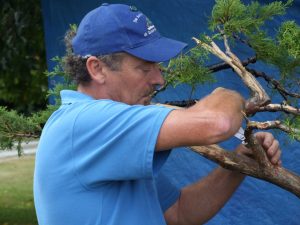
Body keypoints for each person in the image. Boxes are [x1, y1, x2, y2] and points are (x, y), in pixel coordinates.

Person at [34, 3, 282, 225]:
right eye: (145, 67)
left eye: (157, 66)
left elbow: (178, 213)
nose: (159, 80)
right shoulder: (85, 124)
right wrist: (229, 95)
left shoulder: (112, 141)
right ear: (97, 68)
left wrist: (238, 164)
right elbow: (217, 122)